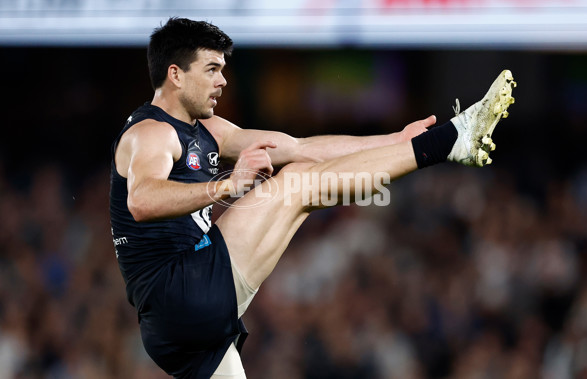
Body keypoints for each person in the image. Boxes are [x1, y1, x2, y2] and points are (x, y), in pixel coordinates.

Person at [109, 17, 516, 379]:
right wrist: (226, 187)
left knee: (301, 173)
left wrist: (394, 140)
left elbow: (299, 147)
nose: (223, 81)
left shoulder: (207, 129)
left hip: (180, 325)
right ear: (175, 74)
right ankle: (452, 139)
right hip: (180, 292)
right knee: (298, 186)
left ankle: (428, 144)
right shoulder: (151, 133)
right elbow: (142, 201)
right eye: (212, 69)